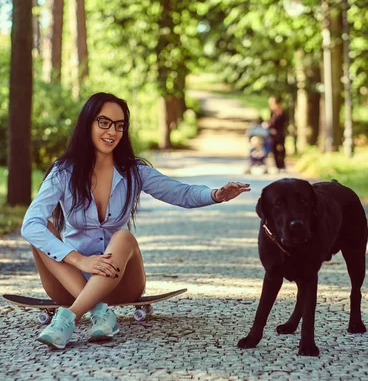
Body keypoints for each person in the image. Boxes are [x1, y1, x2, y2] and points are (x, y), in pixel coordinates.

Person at [21, 92, 251, 349]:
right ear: (88, 124)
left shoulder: (134, 172)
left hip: (120, 284)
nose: (113, 131)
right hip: (69, 282)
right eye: (104, 122)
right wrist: (78, 259)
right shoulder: (64, 172)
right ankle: (99, 312)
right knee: (40, 229)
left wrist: (216, 195)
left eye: (120, 125)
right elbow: (30, 224)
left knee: (123, 237)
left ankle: (69, 318)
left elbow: (181, 193)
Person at [267, 96, 288, 172]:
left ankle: (282, 165)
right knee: (274, 150)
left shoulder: (282, 112)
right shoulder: (272, 112)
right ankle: (277, 166)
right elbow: (271, 123)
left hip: (280, 134)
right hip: (273, 134)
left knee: (281, 149)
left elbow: (284, 123)